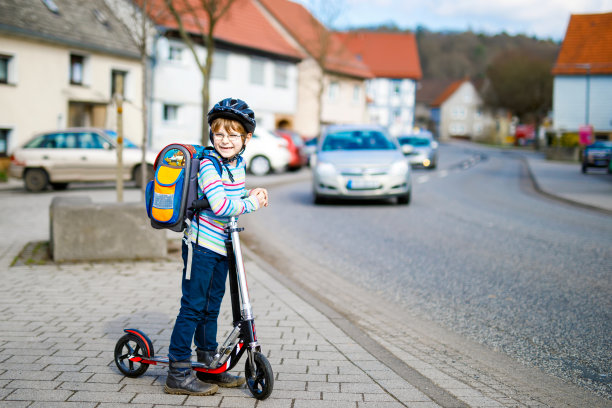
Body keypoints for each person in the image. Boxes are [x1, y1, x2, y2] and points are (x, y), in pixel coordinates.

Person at [165, 98, 269, 396]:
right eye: (219, 133)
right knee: (193, 307)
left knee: (211, 307)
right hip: (201, 246)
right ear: (211, 133)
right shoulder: (209, 163)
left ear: (246, 138)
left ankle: (207, 363)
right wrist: (253, 203)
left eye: (232, 135)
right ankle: (178, 372)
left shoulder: (237, 162)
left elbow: (231, 192)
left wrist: (251, 192)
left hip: (224, 246)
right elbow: (222, 205)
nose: (225, 140)